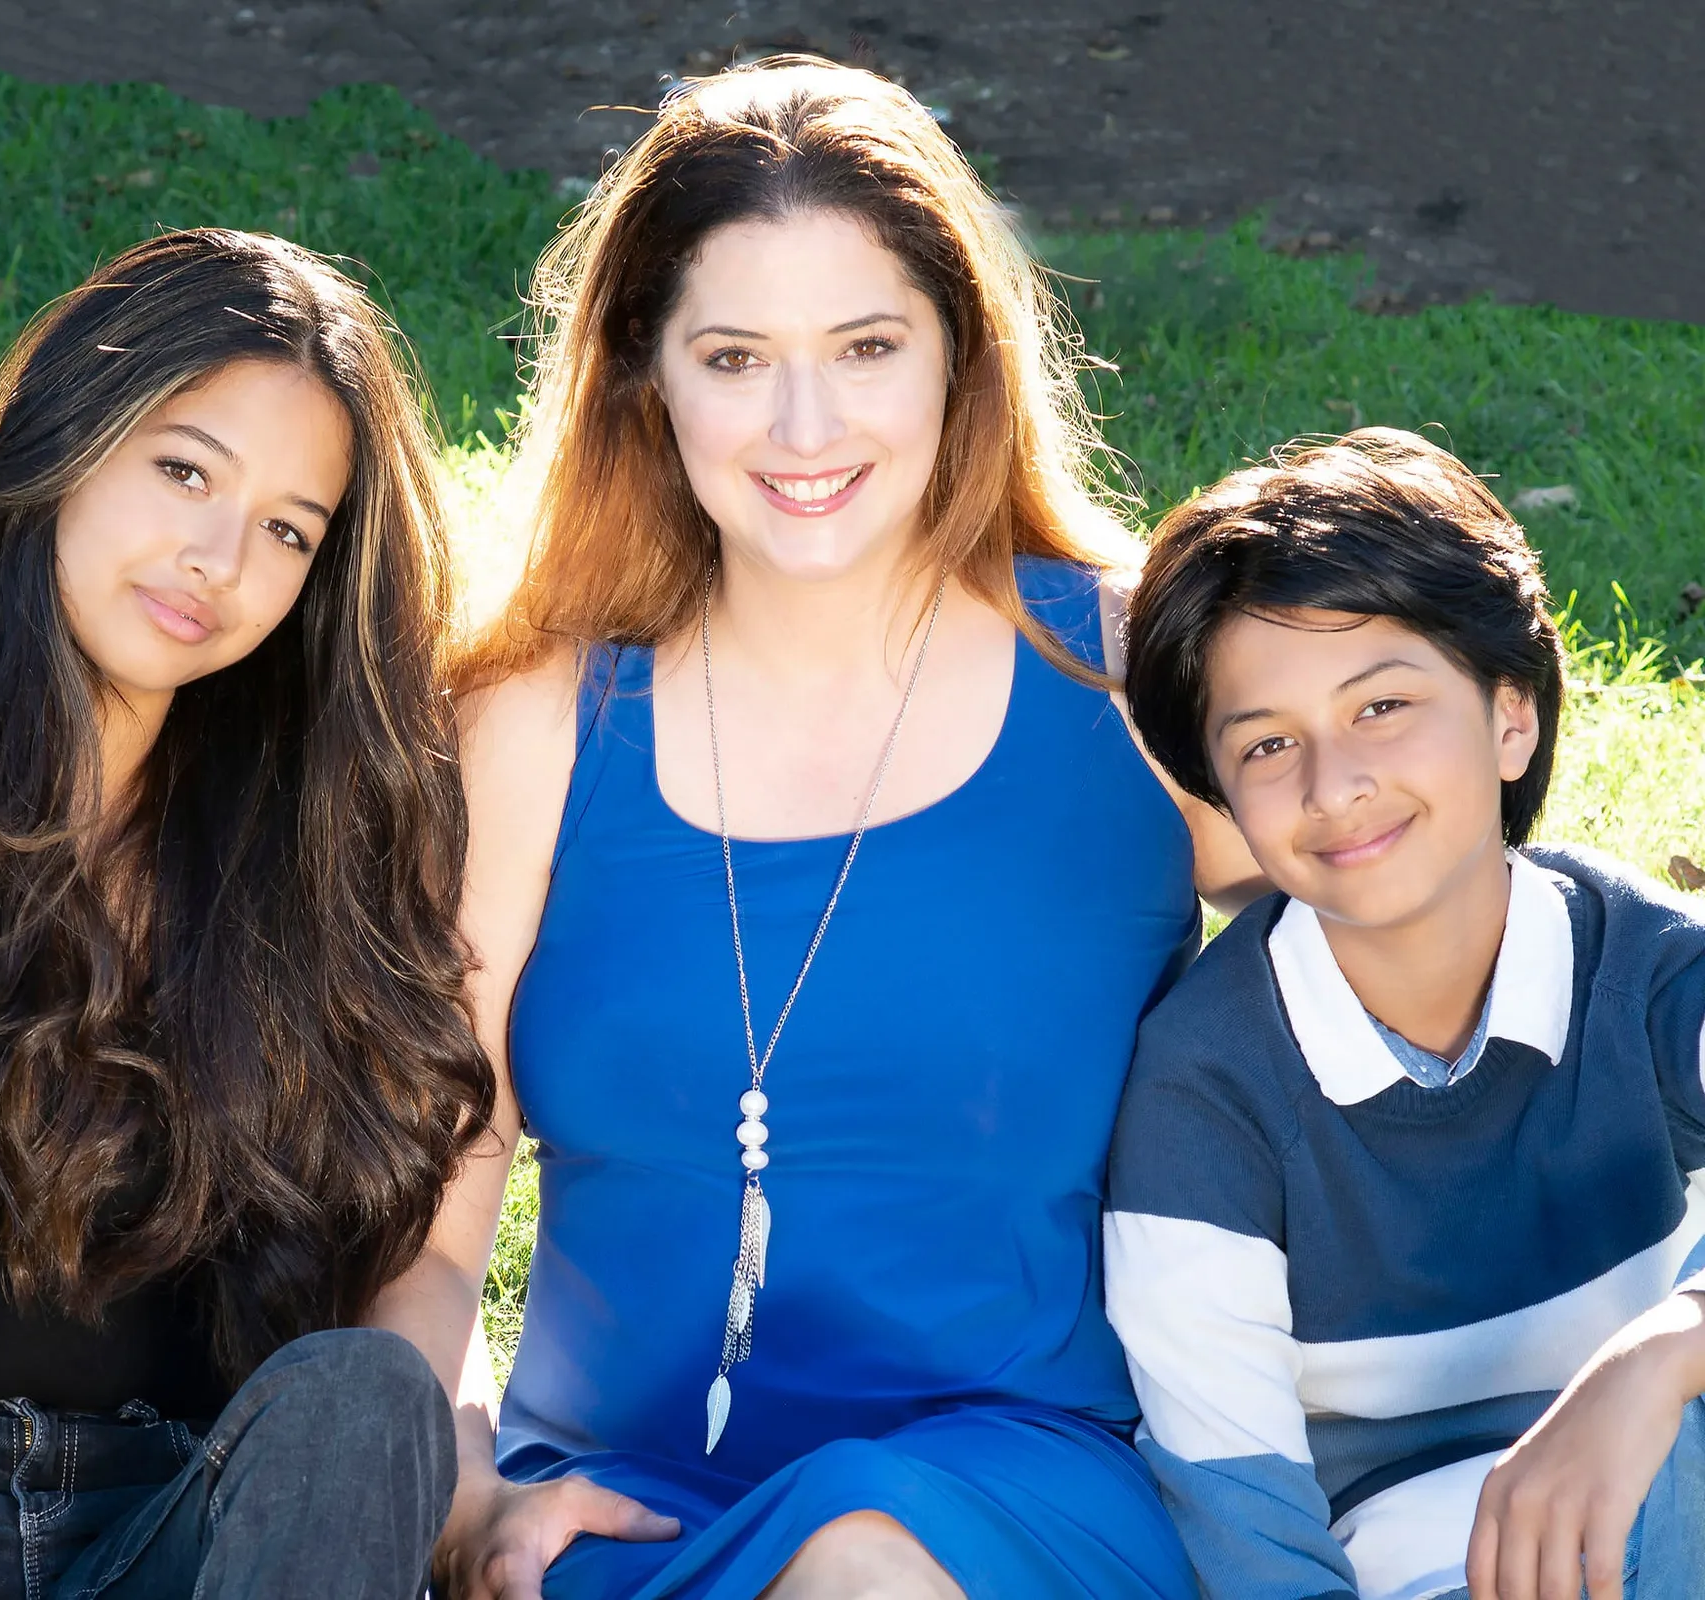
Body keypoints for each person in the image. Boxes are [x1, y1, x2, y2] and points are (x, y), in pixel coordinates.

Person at [370, 58, 1258, 1600]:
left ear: (960, 358)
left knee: (862, 1556)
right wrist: (460, 1486)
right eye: (734, 357)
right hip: (607, 1511)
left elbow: (1428, 954)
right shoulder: (534, 726)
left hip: (1014, 1487)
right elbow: (426, 1219)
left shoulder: (1130, 677)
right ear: (645, 375)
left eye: (866, 348)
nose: (803, 424)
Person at [0, 229, 491, 1598]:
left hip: (159, 1518)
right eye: (185, 471)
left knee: (366, 1392)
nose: (217, 558)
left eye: (288, 529)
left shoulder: (301, 880)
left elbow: (382, 1294)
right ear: (69, 439)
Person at [1105, 428, 1705, 1600]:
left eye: (1380, 705)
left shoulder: (1641, 969)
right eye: (1267, 744)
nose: (1333, 785)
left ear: (1509, 716)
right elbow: (1245, 1529)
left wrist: (1663, 1347)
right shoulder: (1202, 1100)